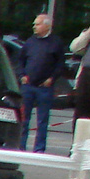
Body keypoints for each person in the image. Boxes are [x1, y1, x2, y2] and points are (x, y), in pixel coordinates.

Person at [19, 12, 65, 152]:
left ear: (47, 26)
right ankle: (21, 146)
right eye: (34, 24)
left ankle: (39, 149)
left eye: (37, 24)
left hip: (44, 88)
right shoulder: (30, 41)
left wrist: (52, 79)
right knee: (24, 118)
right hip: (28, 86)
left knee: (42, 120)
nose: (34, 27)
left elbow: (60, 64)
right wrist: (22, 75)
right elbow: (21, 60)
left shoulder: (56, 43)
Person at [70, 9, 90, 120]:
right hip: (86, 75)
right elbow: (75, 48)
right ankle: (80, 136)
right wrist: (89, 31)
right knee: (81, 114)